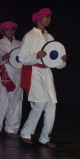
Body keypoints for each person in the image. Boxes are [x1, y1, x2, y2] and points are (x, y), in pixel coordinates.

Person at [18, 8, 67, 148]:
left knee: (51, 106)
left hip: (47, 74)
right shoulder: (29, 36)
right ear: (39, 18)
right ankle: (26, 132)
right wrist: (36, 56)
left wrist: (62, 60)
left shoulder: (49, 37)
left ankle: (45, 137)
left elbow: (55, 62)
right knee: (39, 104)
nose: (49, 19)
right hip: (34, 73)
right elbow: (22, 57)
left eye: (50, 17)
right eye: (47, 17)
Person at [0, 21, 23, 138]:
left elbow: (25, 58)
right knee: (2, 101)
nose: (10, 31)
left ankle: (11, 129)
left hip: (18, 75)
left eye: (12, 29)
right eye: (7, 29)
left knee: (16, 102)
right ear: (2, 31)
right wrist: (2, 58)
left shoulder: (20, 43)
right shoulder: (0, 43)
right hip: (3, 75)